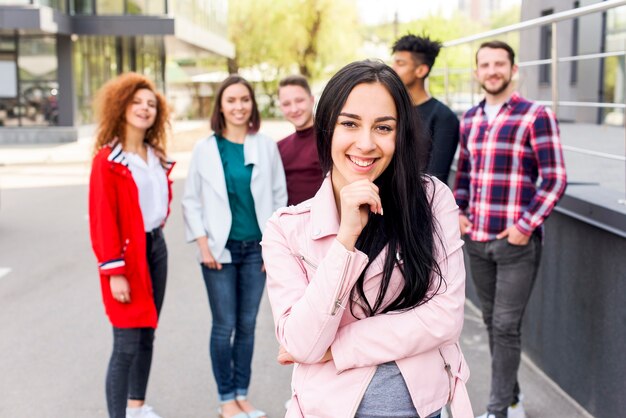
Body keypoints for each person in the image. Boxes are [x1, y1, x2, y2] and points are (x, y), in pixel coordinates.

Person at [262, 60, 473, 418]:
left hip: (422, 407)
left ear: (399, 133)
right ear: (327, 126)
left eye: (383, 127)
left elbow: (445, 317)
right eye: (350, 123)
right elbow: (300, 342)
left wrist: (338, 346)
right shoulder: (286, 229)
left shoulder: (432, 199)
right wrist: (345, 238)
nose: (366, 143)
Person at [452, 41, 567, 418]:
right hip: (478, 240)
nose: (492, 70)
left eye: (499, 63)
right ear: (476, 72)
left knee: (504, 326)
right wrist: (460, 211)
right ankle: (514, 399)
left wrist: (524, 226)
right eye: (485, 64)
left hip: (516, 243)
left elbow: (554, 178)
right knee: (492, 323)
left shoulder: (536, 116)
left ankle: (497, 410)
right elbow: (465, 173)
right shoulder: (469, 119)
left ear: (513, 69)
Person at [182, 75, 287, 418]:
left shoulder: (265, 145)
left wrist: (273, 249)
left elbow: (278, 198)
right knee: (223, 325)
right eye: (231, 100)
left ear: (252, 104)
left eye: (245, 99)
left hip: (256, 250)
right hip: (219, 251)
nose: (239, 106)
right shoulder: (205, 148)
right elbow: (191, 201)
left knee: (247, 324)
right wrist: (203, 245)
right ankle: (226, 399)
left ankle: (242, 395)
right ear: (221, 106)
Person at [88, 73, 173, 418]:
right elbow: (102, 221)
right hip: (125, 257)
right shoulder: (107, 161)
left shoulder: (154, 155)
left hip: (156, 248)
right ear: (120, 107)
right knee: (125, 345)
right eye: (136, 102)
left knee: (147, 334)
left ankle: (137, 406)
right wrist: (114, 271)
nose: (144, 108)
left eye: (151, 104)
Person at [392, 33, 459, 184]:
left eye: (400, 63)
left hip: (419, 204)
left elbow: (436, 179)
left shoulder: (444, 117)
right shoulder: (388, 110)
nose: (393, 69)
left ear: (421, 70)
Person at [277, 75, 324, 206]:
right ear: (280, 107)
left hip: (327, 221)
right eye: (286, 104)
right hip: (290, 222)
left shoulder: (330, 139)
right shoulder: (278, 147)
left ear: (312, 100)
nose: (294, 109)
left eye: (299, 101)